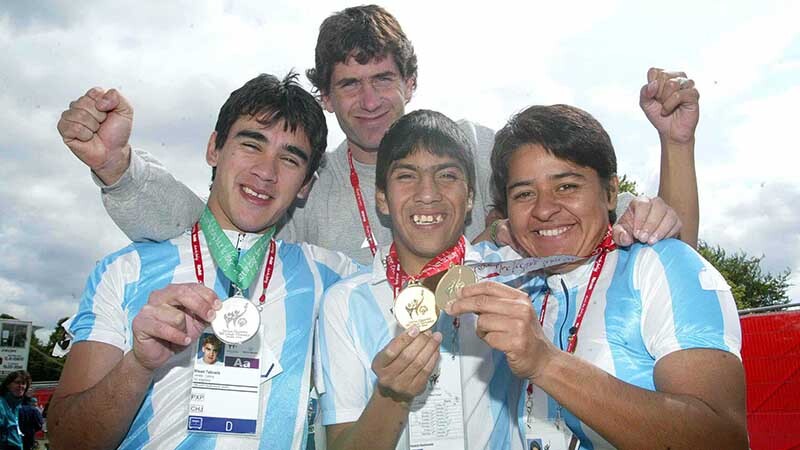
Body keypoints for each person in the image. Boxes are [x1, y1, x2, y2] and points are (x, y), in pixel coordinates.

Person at [72, 6, 694, 265]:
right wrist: (120, 170)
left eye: (383, 78)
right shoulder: (306, 183)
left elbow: (634, 246)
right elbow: (211, 232)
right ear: (325, 94)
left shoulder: (482, 147)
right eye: (348, 84)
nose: (369, 102)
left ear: (412, 81)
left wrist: (675, 147)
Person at [48, 73, 359, 450]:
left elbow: (411, 281)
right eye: (251, 144)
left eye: (290, 159)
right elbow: (67, 440)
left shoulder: (329, 276)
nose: (266, 171)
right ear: (214, 148)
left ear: (306, 185)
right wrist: (139, 365)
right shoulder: (123, 271)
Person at [447, 103, 748, 449]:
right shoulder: (518, 279)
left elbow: (724, 439)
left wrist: (547, 363)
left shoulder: (659, 266)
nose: (544, 209)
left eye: (566, 187)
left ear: (609, 193)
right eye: (524, 194)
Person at [318, 109, 530, 450]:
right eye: (406, 176)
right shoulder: (344, 303)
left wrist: (642, 212)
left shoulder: (511, 278)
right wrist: (391, 396)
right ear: (382, 199)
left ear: (471, 196)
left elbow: (588, 237)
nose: (427, 193)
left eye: (447, 175)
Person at [0, 371, 31, 450]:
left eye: (23, 383)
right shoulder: (1, 404)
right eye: (17, 382)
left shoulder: (18, 406)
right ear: (8, 385)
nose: (21, 386)